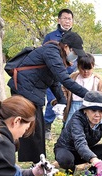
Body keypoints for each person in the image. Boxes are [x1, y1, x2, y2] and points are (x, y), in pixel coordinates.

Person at [7, 31, 88, 163]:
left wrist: (62, 101)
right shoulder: (51, 51)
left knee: (36, 130)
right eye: (75, 52)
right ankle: (38, 164)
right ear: (66, 46)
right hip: (24, 90)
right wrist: (88, 94)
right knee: (31, 128)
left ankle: (37, 162)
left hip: (31, 90)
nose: (75, 57)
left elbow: (54, 82)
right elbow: (64, 80)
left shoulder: (57, 55)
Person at [54, 91, 102, 174]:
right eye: (93, 110)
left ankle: (92, 169)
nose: (97, 115)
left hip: (85, 152)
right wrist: (94, 159)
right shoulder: (77, 119)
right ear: (85, 110)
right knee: (65, 160)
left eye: (101, 111)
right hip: (67, 149)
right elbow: (80, 142)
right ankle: (72, 171)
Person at [43, 8, 76, 139]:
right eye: (65, 18)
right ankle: (47, 127)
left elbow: (76, 56)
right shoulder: (50, 36)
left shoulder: (75, 38)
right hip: (52, 75)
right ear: (59, 20)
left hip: (67, 76)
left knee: (69, 101)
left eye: (70, 19)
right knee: (53, 100)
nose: (67, 21)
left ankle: (66, 127)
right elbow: (44, 54)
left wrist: (68, 71)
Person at [63, 54, 102, 125]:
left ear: (93, 67)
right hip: (74, 106)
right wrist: (63, 100)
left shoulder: (97, 80)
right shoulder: (73, 77)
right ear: (78, 66)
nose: (86, 71)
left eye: (89, 69)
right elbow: (64, 88)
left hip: (90, 108)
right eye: (83, 69)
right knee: (70, 126)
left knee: (89, 128)